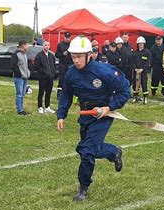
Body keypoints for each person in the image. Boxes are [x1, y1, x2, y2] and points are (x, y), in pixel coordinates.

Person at [57, 36, 130, 201]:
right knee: (88, 153)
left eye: (79, 56)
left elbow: (125, 91)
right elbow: (66, 95)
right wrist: (61, 115)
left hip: (103, 115)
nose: (76, 60)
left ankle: (83, 188)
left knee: (86, 149)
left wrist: (109, 107)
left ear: (89, 55)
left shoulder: (105, 71)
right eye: (73, 56)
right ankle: (114, 152)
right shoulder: (71, 72)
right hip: (85, 116)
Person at [34, 41, 56, 114]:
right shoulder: (39, 56)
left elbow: (53, 65)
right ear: (43, 46)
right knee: (41, 92)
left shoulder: (51, 55)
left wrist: (53, 73)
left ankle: (47, 107)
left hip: (50, 78)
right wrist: (44, 73)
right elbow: (37, 66)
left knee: (48, 93)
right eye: (45, 45)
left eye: (48, 45)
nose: (47, 46)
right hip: (42, 78)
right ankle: (40, 107)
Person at [11, 39, 30, 115]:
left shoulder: (24, 54)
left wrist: (27, 72)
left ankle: (22, 108)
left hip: (25, 77)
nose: (28, 46)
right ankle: (19, 110)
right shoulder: (16, 54)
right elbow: (13, 66)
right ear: (23, 45)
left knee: (23, 94)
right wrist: (19, 73)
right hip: (19, 78)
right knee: (19, 94)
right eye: (27, 45)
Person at [132, 36, 151, 104]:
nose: (140, 44)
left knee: (144, 84)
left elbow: (148, 61)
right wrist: (135, 69)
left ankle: (145, 98)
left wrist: (142, 69)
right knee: (135, 84)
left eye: (142, 43)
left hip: (143, 71)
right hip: (136, 71)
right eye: (139, 43)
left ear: (144, 44)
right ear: (137, 44)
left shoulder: (147, 52)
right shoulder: (135, 52)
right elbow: (132, 61)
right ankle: (135, 97)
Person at [55, 32, 73, 99]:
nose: (67, 39)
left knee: (70, 79)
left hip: (70, 64)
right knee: (62, 80)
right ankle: (59, 94)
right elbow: (56, 55)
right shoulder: (60, 45)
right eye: (66, 37)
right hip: (62, 64)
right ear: (64, 37)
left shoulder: (72, 45)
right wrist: (62, 54)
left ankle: (69, 94)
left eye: (68, 37)